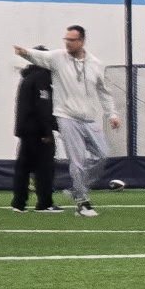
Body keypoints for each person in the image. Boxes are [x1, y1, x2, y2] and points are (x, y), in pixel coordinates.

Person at [13, 24, 119, 218]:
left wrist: (112, 114)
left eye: (72, 40)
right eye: (66, 40)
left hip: (89, 118)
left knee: (102, 155)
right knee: (77, 162)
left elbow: (104, 92)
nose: (68, 43)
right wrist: (23, 52)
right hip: (66, 117)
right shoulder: (57, 58)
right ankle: (82, 202)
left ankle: (78, 188)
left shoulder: (95, 63)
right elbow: (38, 56)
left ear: (82, 41)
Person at [10, 51, 58, 213]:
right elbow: (42, 106)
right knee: (44, 167)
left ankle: (18, 203)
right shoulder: (41, 78)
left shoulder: (26, 78)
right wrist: (48, 131)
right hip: (38, 131)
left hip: (25, 130)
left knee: (23, 167)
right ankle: (44, 203)